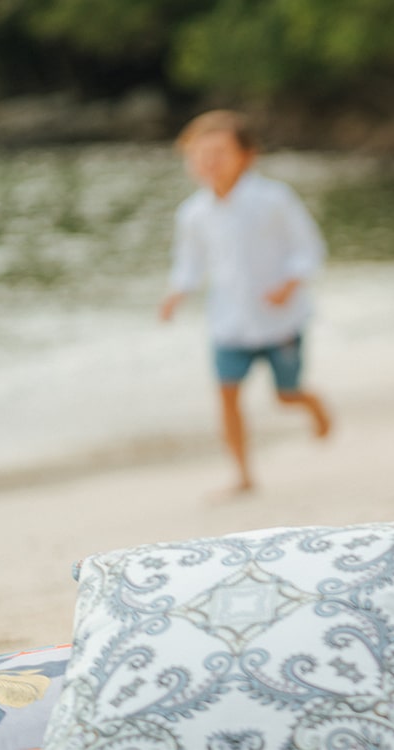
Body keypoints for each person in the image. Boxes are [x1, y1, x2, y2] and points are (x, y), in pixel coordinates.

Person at [159, 110, 331, 495]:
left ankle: (312, 404)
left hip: (279, 319)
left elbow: (309, 248)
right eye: (198, 154)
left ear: (247, 155)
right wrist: (176, 293)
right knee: (227, 395)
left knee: (285, 394)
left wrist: (289, 283)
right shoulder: (193, 213)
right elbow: (189, 263)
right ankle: (242, 474)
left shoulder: (273, 199)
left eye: (219, 152)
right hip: (229, 322)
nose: (208, 162)